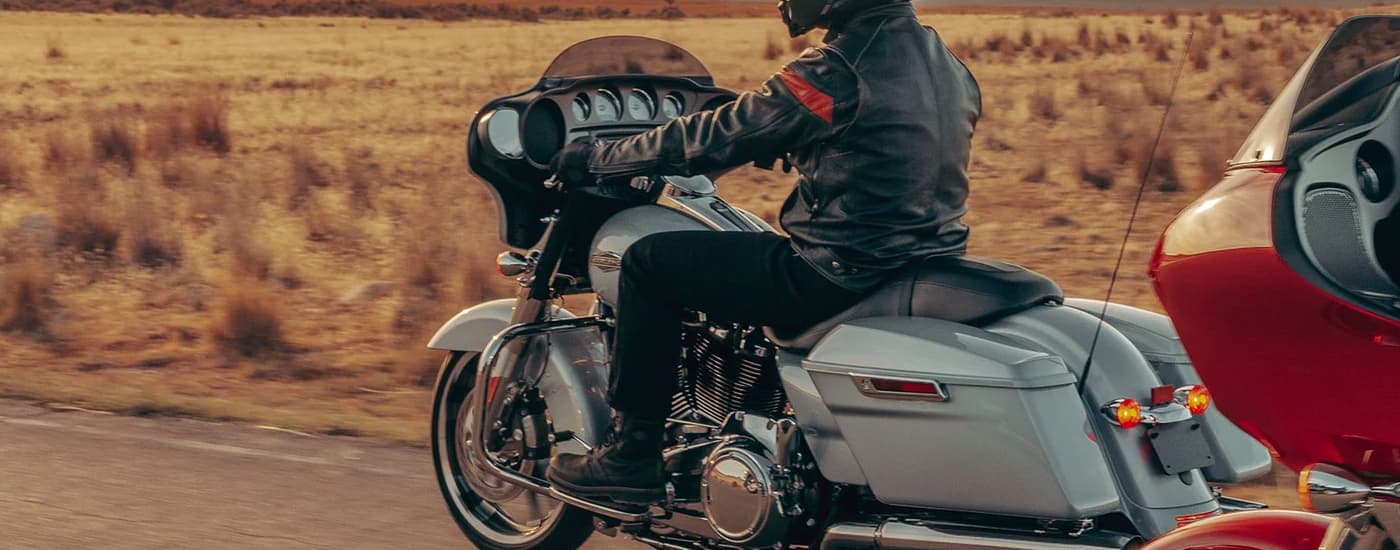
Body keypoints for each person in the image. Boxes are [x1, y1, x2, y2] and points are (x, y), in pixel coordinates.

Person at [545, 0, 982, 503]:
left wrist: (601, 158)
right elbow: (893, 142)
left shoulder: (837, 67)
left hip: (836, 268)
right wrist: (802, 146)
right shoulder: (945, 62)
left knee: (648, 262)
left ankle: (631, 456)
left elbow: (714, 136)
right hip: (918, 258)